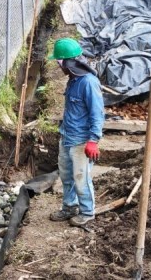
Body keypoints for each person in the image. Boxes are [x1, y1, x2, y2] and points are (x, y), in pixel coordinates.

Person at [48, 37, 104, 227]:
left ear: (68, 62)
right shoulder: (73, 79)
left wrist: (93, 140)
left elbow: (97, 113)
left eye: (59, 62)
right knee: (66, 175)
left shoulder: (88, 83)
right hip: (67, 135)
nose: (58, 66)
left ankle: (87, 212)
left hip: (81, 140)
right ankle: (69, 207)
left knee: (81, 178)